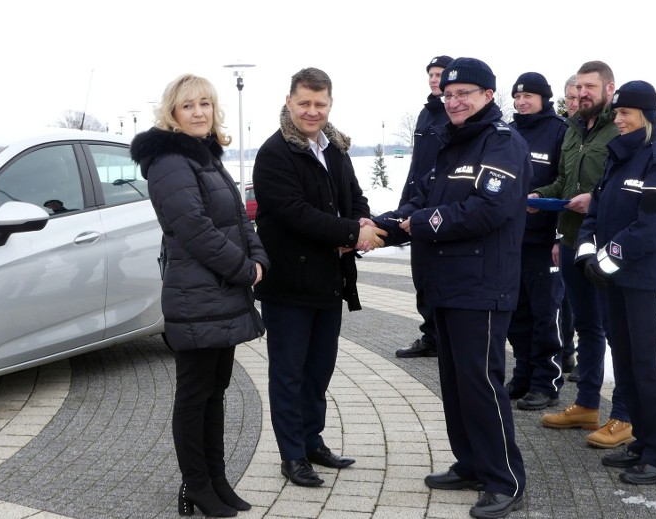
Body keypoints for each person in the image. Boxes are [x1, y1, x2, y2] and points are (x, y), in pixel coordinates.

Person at [375, 57, 528, 519]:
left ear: (487, 96)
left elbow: (487, 209)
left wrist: (417, 222)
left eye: (465, 93)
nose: (454, 101)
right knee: (457, 384)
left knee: (481, 384)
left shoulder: (502, 144)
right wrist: (376, 227)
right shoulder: (450, 144)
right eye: (449, 94)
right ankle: (472, 463)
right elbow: (420, 202)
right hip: (444, 284)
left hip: (481, 286)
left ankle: (505, 479)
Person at [130, 73, 269, 518]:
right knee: (194, 395)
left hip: (220, 293)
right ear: (172, 112)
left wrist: (259, 256)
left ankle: (217, 480)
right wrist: (243, 269)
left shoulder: (207, 158)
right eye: (189, 105)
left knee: (215, 391)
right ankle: (195, 486)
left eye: (205, 104)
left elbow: (240, 218)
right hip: (197, 295)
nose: (199, 112)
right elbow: (194, 229)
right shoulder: (171, 160)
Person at [252, 67, 387, 488]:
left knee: (319, 371)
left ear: (330, 104)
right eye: (305, 103)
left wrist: (362, 217)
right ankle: (292, 456)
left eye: (320, 104)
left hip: (328, 282)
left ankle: (312, 441)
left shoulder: (336, 149)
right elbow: (294, 213)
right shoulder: (274, 153)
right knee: (288, 374)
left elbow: (353, 194)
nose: (313, 111)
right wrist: (351, 233)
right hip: (289, 285)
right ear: (289, 102)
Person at [575, 81, 656, 484]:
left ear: (647, 115)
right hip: (617, 281)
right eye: (617, 113)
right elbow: (597, 212)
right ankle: (643, 443)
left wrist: (610, 256)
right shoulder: (621, 158)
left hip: (648, 281)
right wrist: (588, 250)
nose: (618, 120)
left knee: (650, 367)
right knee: (626, 364)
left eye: (626, 113)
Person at [530, 60, 632, 449]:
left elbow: (623, 188)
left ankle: (623, 414)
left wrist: (597, 201)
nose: (583, 94)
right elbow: (564, 179)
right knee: (587, 327)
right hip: (573, 240)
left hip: (610, 244)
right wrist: (542, 195)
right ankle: (587, 404)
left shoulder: (621, 128)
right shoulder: (574, 131)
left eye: (591, 86)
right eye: (578, 88)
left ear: (609, 88)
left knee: (616, 332)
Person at [505, 72, 568, 411]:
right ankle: (524, 372)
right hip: (515, 240)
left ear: (544, 98)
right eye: (517, 96)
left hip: (545, 241)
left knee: (546, 313)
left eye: (528, 95)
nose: (521, 101)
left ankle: (547, 381)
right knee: (517, 312)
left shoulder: (560, 131)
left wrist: (559, 233)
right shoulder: (509, 132)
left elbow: (566, 181)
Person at [394, 54, 452, 359]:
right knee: (422, 276)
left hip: (439, 205)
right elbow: (417, 164)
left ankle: (444, 335)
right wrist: (405, 202)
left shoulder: (454, 115)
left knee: (440, 274)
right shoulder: (425, 114)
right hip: (416, 202)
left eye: (440, 74)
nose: (434, 79)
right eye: (431, 74)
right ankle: (430, 336)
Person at [560, 74, 579, 379]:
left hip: (595, 232)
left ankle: (585, 358)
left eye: (580, 96)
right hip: (565, 230)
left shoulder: (608, 131)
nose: (575, 103)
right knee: (565, 299)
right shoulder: (566, 132)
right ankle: (567, 353)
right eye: (570, 98)